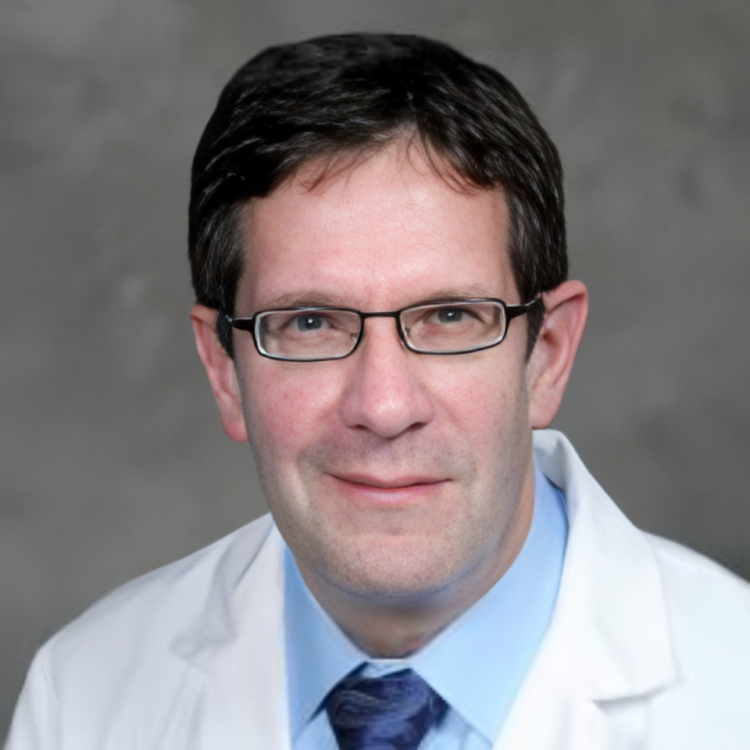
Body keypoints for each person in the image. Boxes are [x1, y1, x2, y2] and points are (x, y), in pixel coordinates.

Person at [5, 33, 750, 750]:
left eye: (450, 317)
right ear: (225, 369)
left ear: (546, 356)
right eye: (309, 323)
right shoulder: (86, 697)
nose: (385, 407)